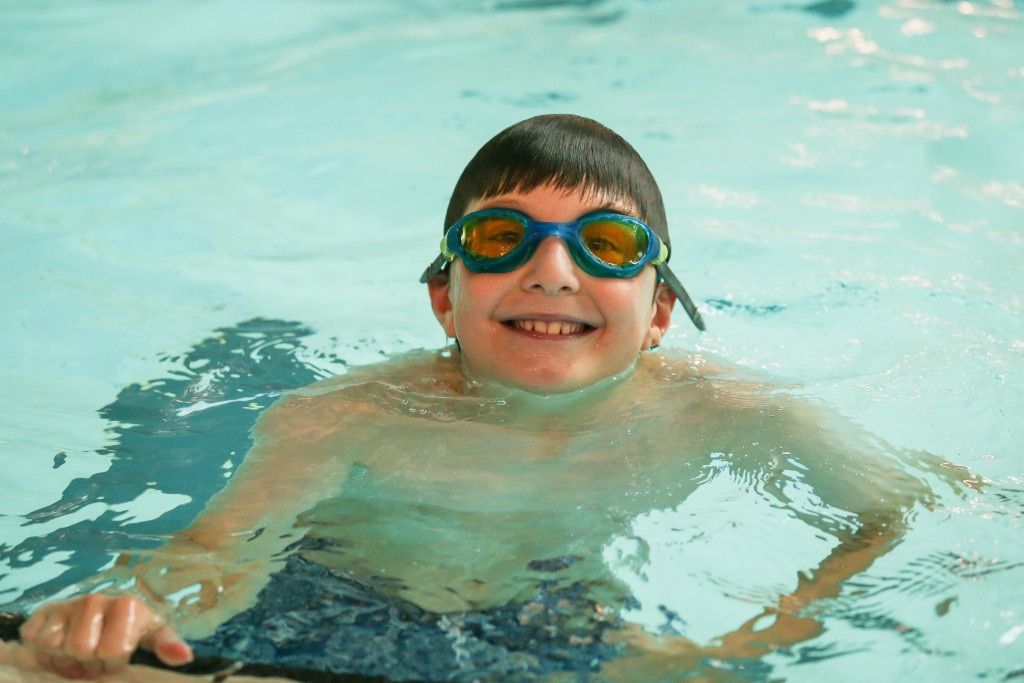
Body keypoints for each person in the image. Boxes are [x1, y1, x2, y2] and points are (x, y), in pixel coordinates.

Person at [12, 114, 962, 681]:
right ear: (445, 299)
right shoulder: (342, 420)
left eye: (608, 246)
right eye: (503, 238)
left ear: (661, 312)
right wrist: (130, 606)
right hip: (324, 613)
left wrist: (744, 643)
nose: (552, 272)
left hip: (558, 621)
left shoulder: (729, 411)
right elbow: (218, 554)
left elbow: (903, 511)